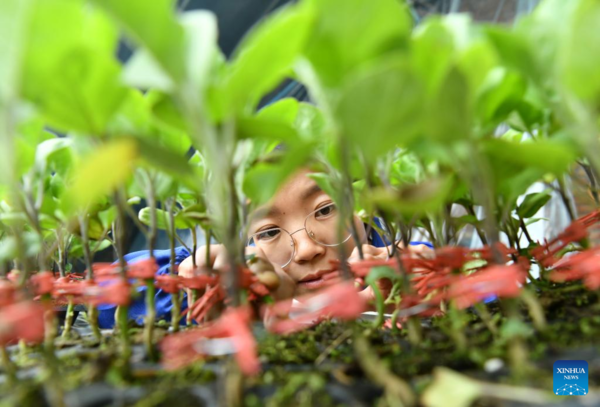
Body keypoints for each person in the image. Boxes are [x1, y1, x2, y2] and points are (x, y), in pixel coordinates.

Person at [97, 169, 431, 328]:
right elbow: (100, 294)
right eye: (269, 231)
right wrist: (188, 282)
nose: (305, 249)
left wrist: (426, 277)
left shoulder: (401, 263)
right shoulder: (238, 276)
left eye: (325, 209)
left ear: (361, 209)